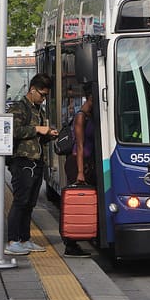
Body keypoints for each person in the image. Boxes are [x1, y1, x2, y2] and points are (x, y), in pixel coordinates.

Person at [5, 73, 58, 255]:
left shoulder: (38, 110)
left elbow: (37, 137)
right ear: (33, 90)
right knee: (20, 201)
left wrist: (48, 134)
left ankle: (25, 238)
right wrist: (37, 129)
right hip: (22, 160)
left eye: (45, 96)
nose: (43, 99)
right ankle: (12, 240)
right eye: (42, 95)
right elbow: (12, 130)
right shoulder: (19, 108)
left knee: (30, 203)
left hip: (37, 160)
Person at [62, 82, 96, 257]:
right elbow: (80, 146)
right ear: (91, 97)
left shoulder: (92, 115)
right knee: (75, 202)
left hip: (88, 162)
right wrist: (81, 172)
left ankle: (84, 236)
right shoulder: (81, 117)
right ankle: (70, 244)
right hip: (76, 162)